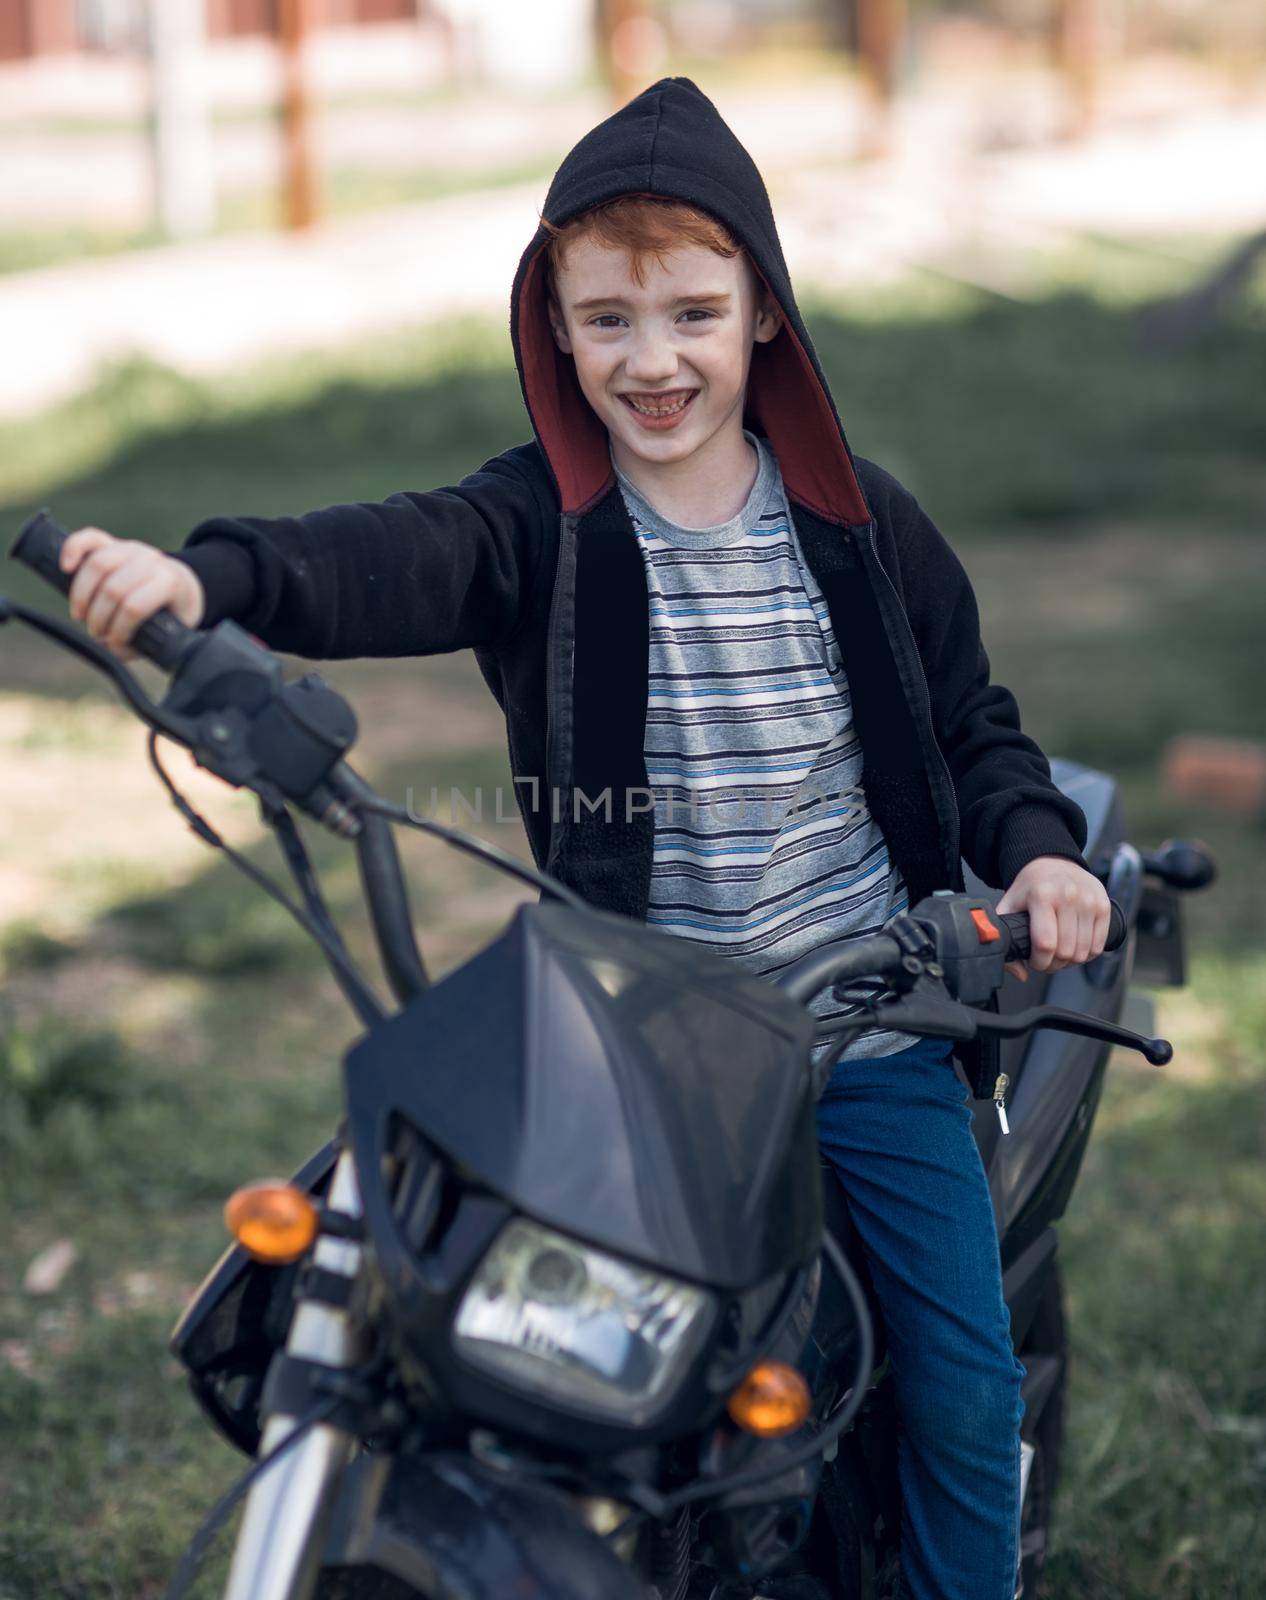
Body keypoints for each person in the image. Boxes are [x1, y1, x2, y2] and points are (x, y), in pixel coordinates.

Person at [58, 77, 1109, 1599]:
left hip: (872, 1032)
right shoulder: (540, 529)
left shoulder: (862, 532)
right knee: (497, 1357)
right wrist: (210, 580)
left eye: (692, 309)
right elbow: (385, 556)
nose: (653, 356)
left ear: (763, 312)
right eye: (605, 316)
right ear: (551, 324)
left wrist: (1039, 851)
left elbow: (976, 726)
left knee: (960, 1390)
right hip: (646, 1055)